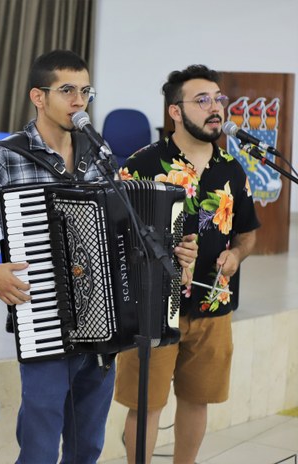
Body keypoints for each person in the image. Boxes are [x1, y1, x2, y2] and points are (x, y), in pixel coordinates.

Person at [0, 50, 197, 463]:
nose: (79, 101)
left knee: (87, 447)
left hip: (104, 326)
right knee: (39, 449)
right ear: (38, 97)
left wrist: (175, 251)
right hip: (45, 321)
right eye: (68, 90)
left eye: (86, 91)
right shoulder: (5, 156)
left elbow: (125, 230)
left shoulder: (99, 153)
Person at [115, 64, 260, 464]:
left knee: (198, 400)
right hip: (153, 308)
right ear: (175, 112)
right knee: (145, 405)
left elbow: (248, 233)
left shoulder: (231, 168)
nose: (215, 108)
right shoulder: (141, 165)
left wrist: (236, 255)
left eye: (218, 99)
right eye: (202, 100)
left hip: (214, 304)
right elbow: (115, 236)